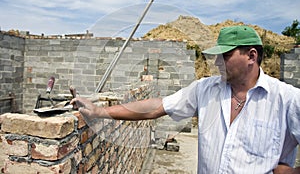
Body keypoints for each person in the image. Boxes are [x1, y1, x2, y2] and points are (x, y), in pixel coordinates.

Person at [71, 25, 300, 174]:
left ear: (251, 56)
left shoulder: (287, 100)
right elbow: (157, 106)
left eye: (226, 55)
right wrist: (100, 112)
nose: (218, 62)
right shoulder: (206, 89)